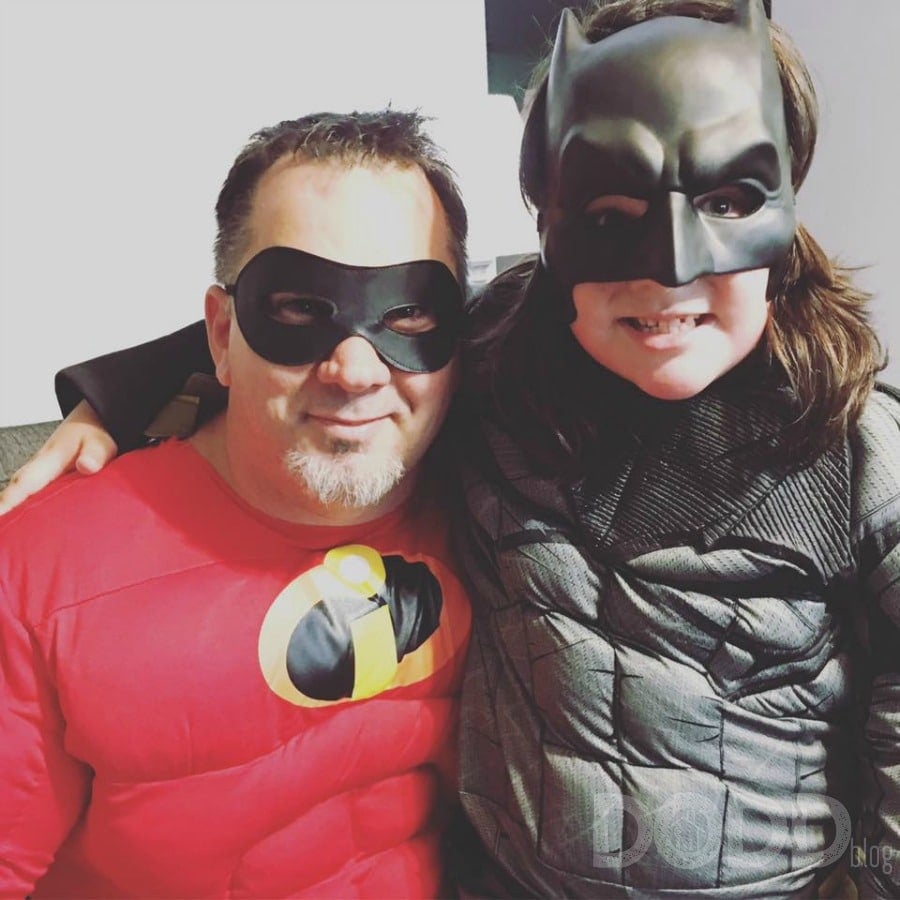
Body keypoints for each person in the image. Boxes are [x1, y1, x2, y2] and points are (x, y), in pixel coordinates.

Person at [3, 1, 897, 897]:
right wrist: (116, 395)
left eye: (728, 202)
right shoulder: (508, 363)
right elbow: (339, 312)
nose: (670, 266)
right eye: (609, 215)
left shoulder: (864, 459)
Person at [0, 108, 473, 898]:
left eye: (409, 313)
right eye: (299, 311)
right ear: (221, 335)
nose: (357, 371)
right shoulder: (41, 569)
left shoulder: (505, 495)